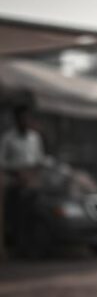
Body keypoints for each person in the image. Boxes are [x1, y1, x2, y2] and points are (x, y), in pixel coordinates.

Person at [0, 105, 46, 251]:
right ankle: (15, 242)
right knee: (16, 212)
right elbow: (2, 161)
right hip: (14, 178)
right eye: (22, 119)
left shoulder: (34, 137)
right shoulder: (8, 138)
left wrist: (33, 172)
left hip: (32, 179)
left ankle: (31, 244)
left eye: (28, 118)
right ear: (17, 120)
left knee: (35, 210)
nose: (25, 121)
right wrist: (17, 172)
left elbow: (40, 159)